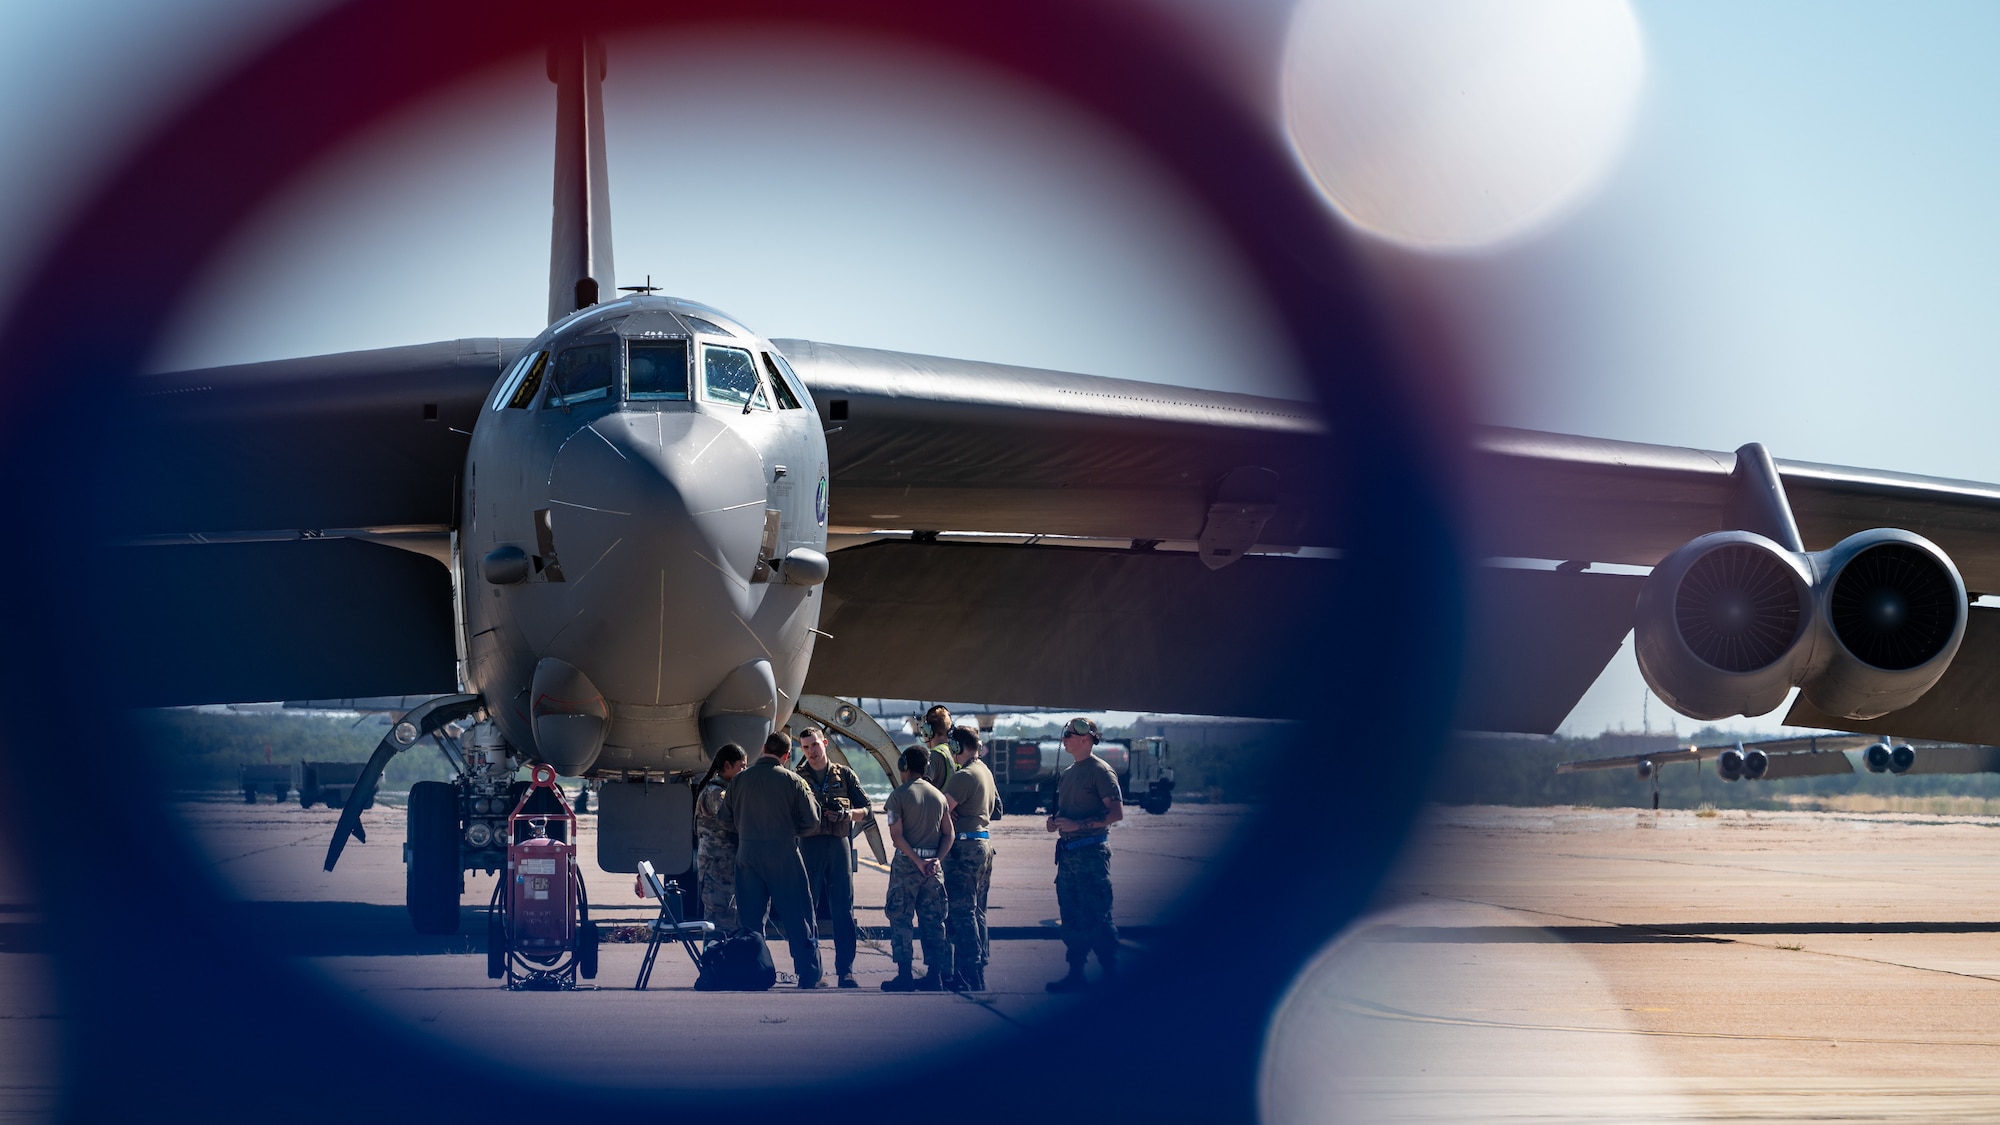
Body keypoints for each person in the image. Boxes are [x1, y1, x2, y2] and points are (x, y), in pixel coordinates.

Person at [718, 731, 825, 988]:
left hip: (748, 855)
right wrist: (788, 829)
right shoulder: (793, 781)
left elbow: (723, 819)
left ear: (764, 747)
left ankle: (753, 972)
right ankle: (809, 975)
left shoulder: (740, 780)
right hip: (783, 854)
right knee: (798, 917)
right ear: (787, 756)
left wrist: (746, 829)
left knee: (750, 920)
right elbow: (812, 822)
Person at [1045, 716, 1123, 992]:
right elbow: (1065, 813)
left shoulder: (1100, 771)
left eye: (1069, 735)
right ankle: (1076, 973)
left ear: (1086, 739)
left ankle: (1111, 974)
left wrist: (1078, 825)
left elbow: (1116, 813)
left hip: (1091, 853)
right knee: (1072, 916)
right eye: (1065, 734)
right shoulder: (1068, 773)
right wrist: (1055, 822)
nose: (1064, 738)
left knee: (1098, 914)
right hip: (1068, 856)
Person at [793, 725, 871, 989]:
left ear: (824, 743)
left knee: (843, 910)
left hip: (839, 845)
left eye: (815, 744)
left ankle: (846, 971)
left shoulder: (845, 775)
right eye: (805, 747)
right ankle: (810, 971)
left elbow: (867, 810)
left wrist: (847, 815)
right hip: (810, 846)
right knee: (807, 910)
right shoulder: (797, 778)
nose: (811, 751)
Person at [880, 745, 954, 991]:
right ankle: (936, 975)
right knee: (934, 921)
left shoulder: (897, 797)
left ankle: (904, 975)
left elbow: (896, 837)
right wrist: (936, 860)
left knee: (901, 919)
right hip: (933, 868)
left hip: (907, 865)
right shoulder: (939, 797)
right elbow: (949, 834)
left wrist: (916, 860)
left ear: (904, 766)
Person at [941, 726, 997, 991]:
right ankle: (979, 968)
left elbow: (940, 809)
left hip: (964, 848)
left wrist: (948, 814)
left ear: (957, 747)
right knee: (978, 911)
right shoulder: (985, 771)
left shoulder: (963, 776)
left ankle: (968, 970)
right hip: (983, 844)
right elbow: (996, 809)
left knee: (962, 911)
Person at [692, 743, 747, 934]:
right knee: (719, 920)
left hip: (724, 867)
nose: (744, 770)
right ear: (727, 765)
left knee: (729, 918)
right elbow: (735, 819)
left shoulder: (726, 789)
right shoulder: (716, 793)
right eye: (741, 766)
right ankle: (714, 961)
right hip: (716, 869)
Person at [919, 705, 956, 788]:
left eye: (923, 730)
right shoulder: (955, 753)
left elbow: (921, 790)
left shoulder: (933, 756)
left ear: (928, 731)